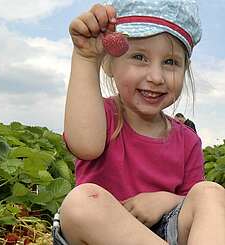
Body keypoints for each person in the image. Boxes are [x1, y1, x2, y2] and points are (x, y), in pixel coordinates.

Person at [52, 0, 225, 244]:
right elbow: (84, 145)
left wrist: (167, 199)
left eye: (170, 62)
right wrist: (85, 58)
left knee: (211, 193)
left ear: (185, 70)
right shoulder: (102, 116)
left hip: (167, 232)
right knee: (80, 203)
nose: (156, 77)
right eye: (139, 57)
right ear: (109, 63)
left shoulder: (188, 140)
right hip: (100, 236)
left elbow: (193, 201)